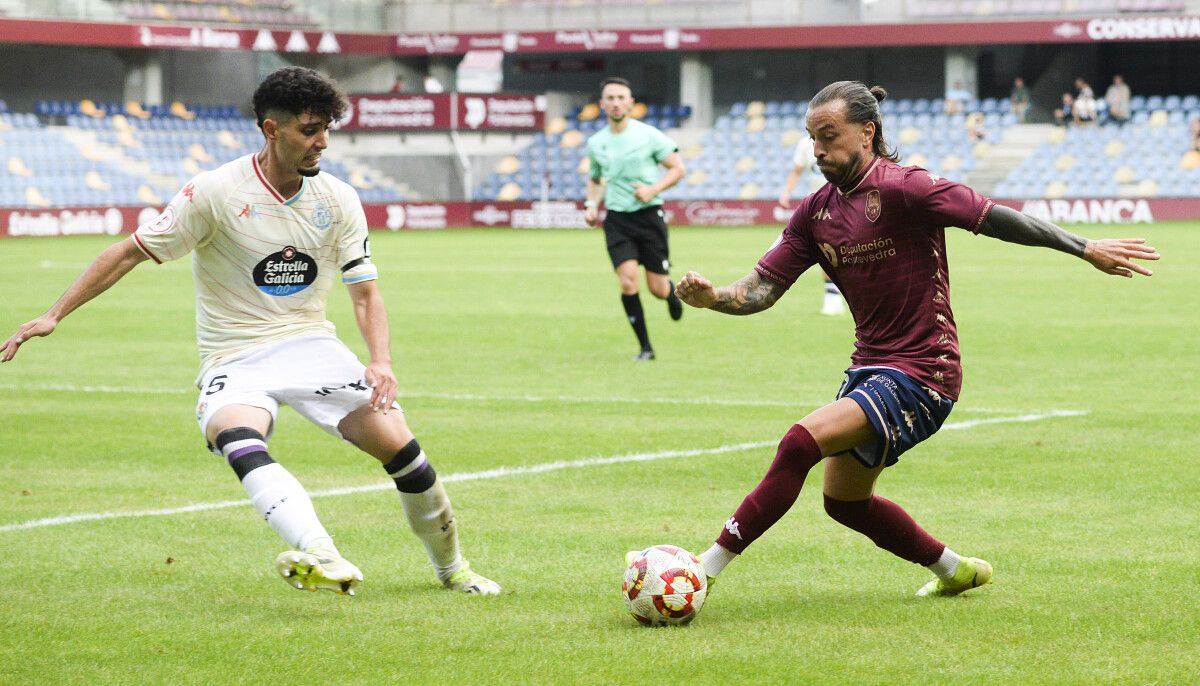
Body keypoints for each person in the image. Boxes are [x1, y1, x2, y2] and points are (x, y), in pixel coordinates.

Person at [0, 67, 500, 598]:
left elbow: (365, 292)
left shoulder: (338, 199)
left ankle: (454, 570)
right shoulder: (215, 192)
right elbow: (128, 252)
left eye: (327, 128)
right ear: (271, 129)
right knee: (237, 437)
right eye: (310, 129)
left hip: (311, 345)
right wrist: (55, 314)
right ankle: (322, 553)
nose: (322, 142)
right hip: (233, 355)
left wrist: (381, 361)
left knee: (405, 454)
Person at [673, 80, 1158, 599]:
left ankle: (702, 570)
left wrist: (1084, 247)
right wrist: (714, 298)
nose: (817, 150)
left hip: (926, 371)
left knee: (798, 443)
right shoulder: (814, 213)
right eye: (812, 138)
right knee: (844, 503)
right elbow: (763, 288)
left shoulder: (909, 188)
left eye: (828, 136)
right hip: (872, 370)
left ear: (867, 131)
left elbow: (995, 218)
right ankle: (956, 570)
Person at [584, 76, 687, 361]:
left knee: (656, 288)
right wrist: (591, 204)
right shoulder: (596, 143)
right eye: (610, 98)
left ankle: (670, 294)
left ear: (630, 103)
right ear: (602, 104)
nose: (616, 103)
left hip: (649, 217)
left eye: (621, 98)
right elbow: (594, 178)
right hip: (617, 219)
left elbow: (678, 169)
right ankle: (645, 348)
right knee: (628, 282)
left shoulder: (649, 135)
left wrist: (652, 189)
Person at [778, 136, 845, 316]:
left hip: (846, 201)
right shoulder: (804, 144)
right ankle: (833, 298)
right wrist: (786, 192)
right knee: (826, 250)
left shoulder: (843, 139)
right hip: (819, 207)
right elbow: (797, 170)